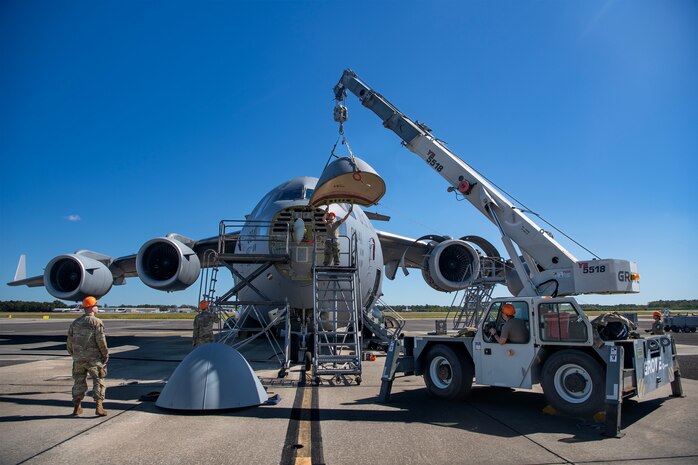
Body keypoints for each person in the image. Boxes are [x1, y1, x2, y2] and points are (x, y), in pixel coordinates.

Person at [67, 296, 109, 416]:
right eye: (96, 305)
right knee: (99, 380)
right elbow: (101, 341)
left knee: (78, 382)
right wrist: (105, 354)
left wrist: (74, 354)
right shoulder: (96, 322)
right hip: (93, 358)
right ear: (91, 308)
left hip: (78, 359)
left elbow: (70, 340)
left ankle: (77, 407)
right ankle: (99, 407)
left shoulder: (75, 323)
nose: (97, 307)